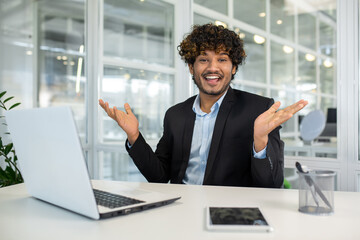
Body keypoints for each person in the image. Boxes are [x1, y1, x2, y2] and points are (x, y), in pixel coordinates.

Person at [99, 23, 307, 188]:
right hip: (182, 210)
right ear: (191, 67)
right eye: (203, 60)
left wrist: (260, 141)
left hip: (230, 215)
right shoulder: (175, 115)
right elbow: (160, 177)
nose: (213, 68)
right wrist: (134, 137)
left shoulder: (258, 109)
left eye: (222, 59)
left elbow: (271, 184)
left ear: (233, 67)